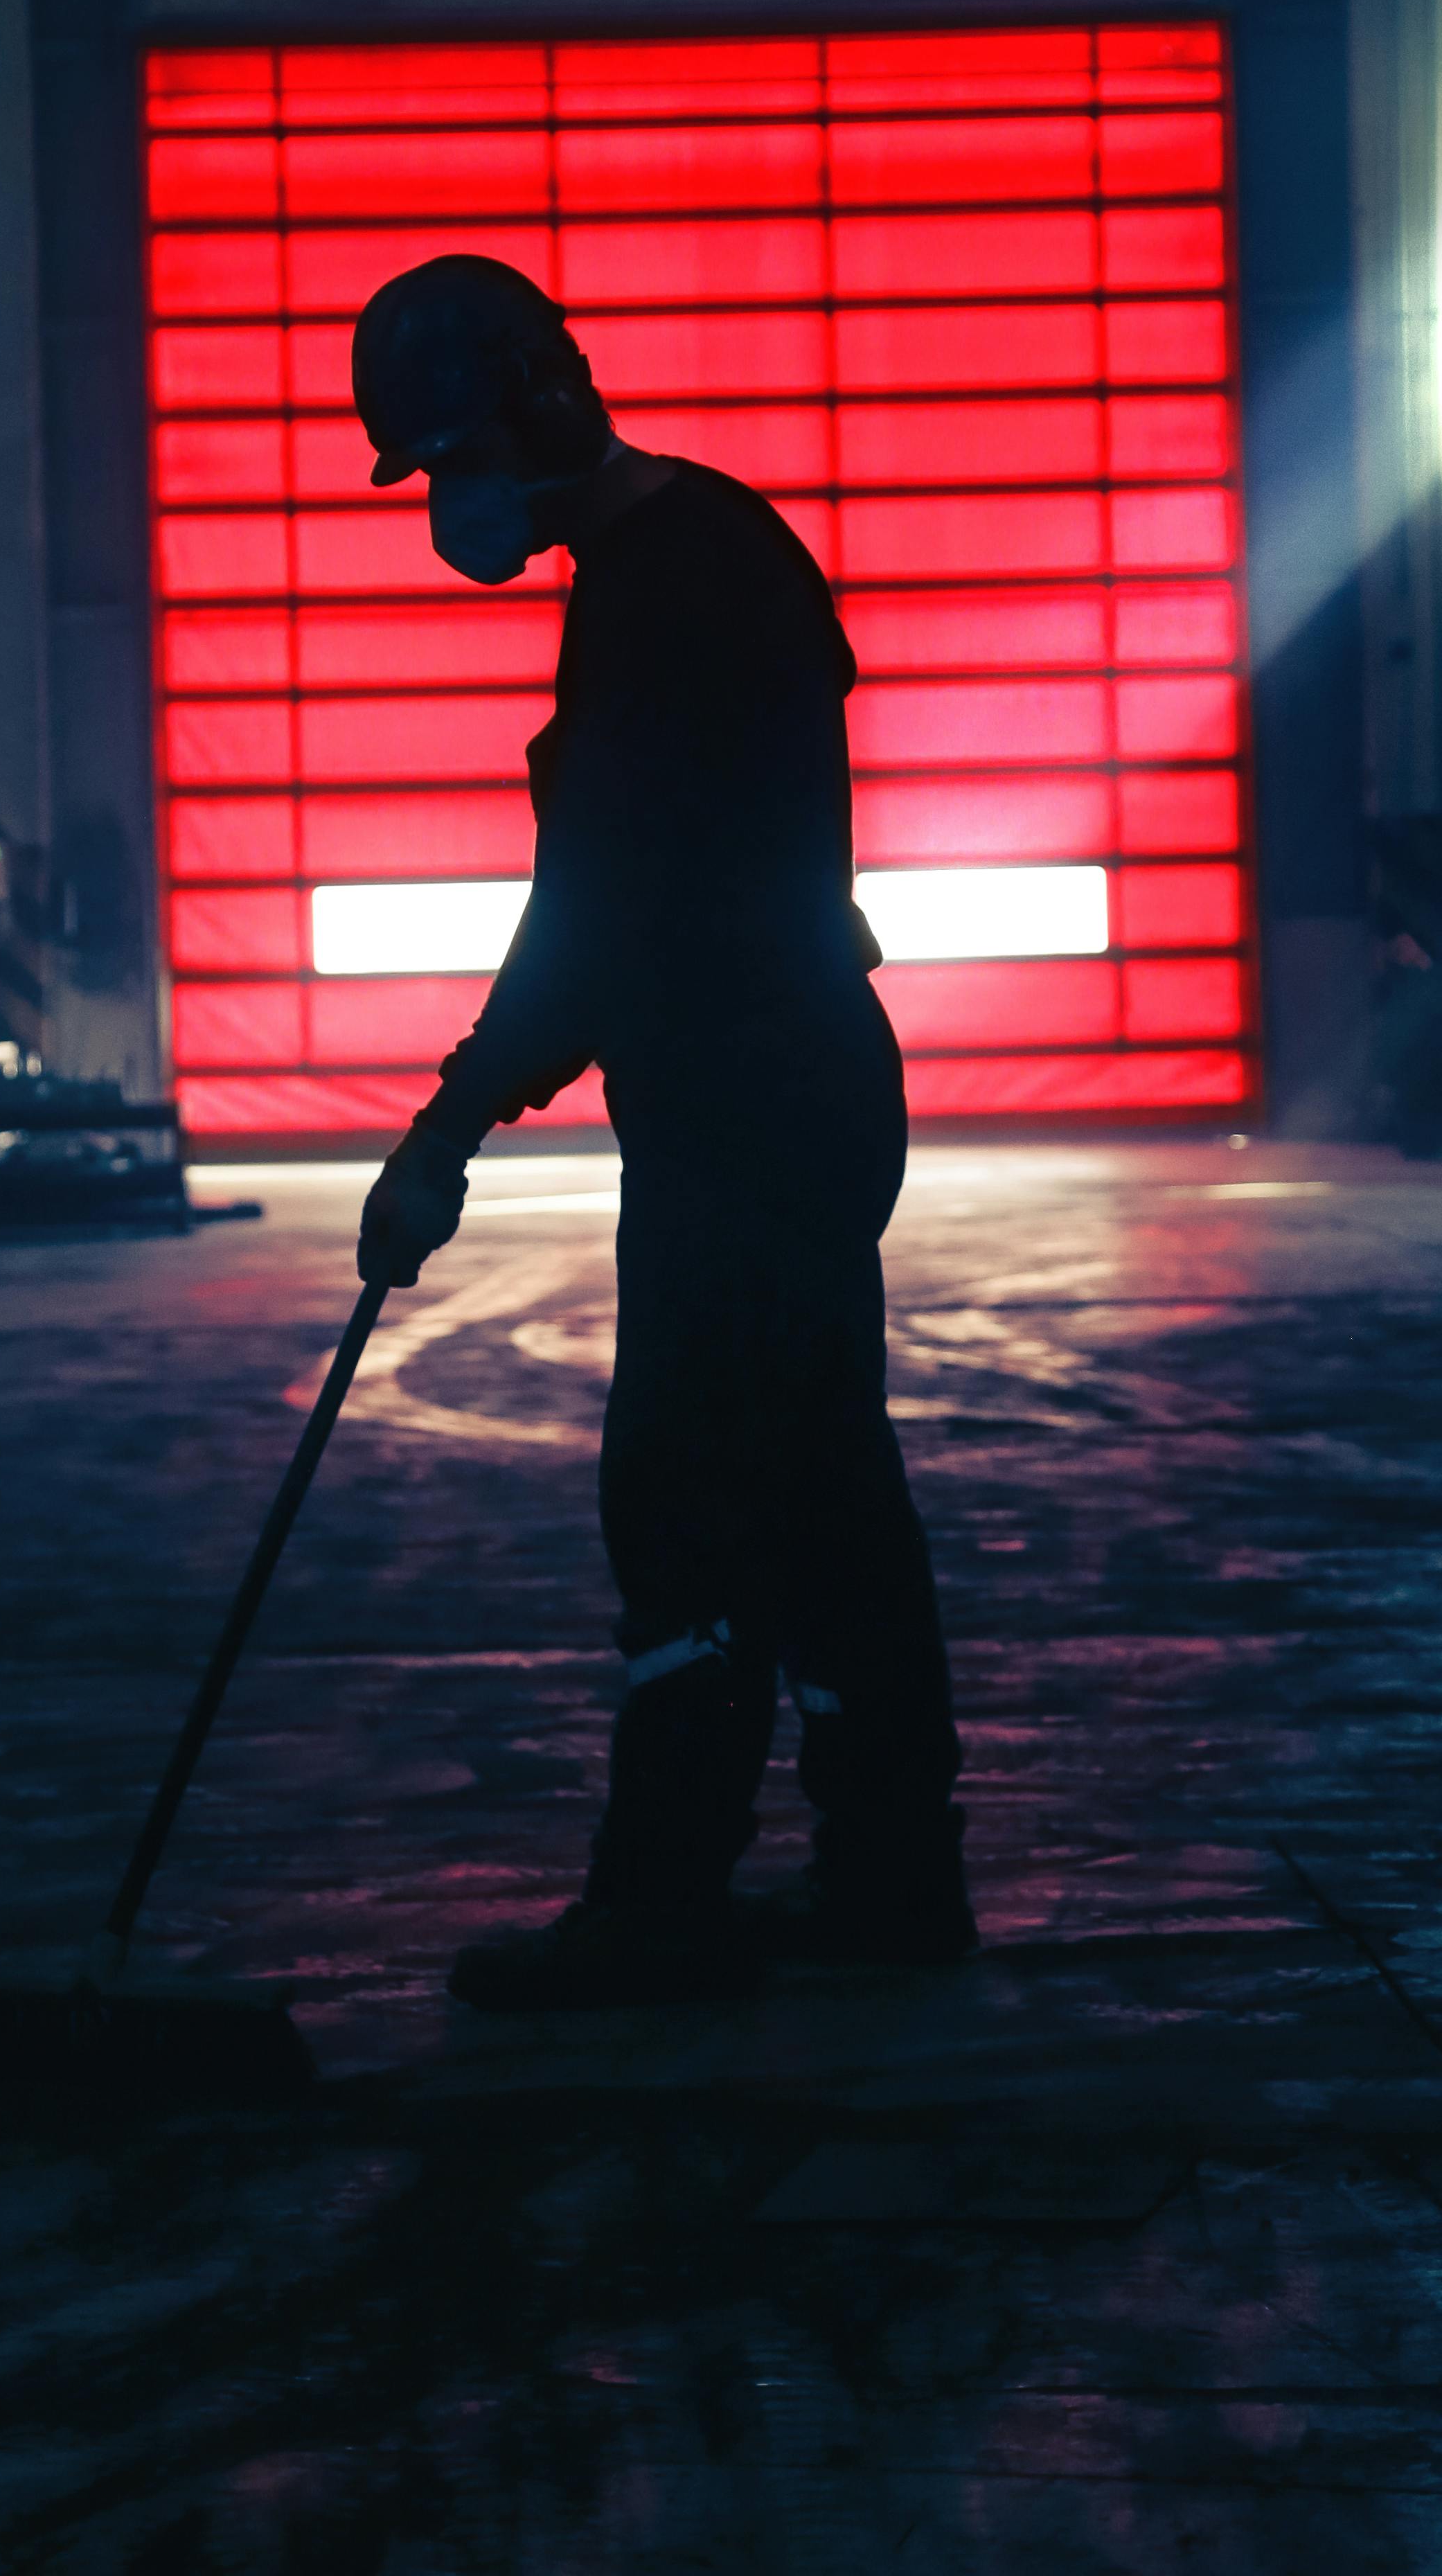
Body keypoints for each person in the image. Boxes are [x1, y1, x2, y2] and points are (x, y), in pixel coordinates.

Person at [350, 251, 972, 2012]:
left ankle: (665, 1900)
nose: (447, 507)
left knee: (689, 1494)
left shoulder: (670, 585)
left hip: (751, 1105)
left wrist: (446, 1131)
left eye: (447, 458)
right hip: (781, 1087)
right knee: (826, 1490)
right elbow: (620, 901)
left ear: (535, 410)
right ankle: (890, 1878)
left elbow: (603, 915)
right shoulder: (676, 554)